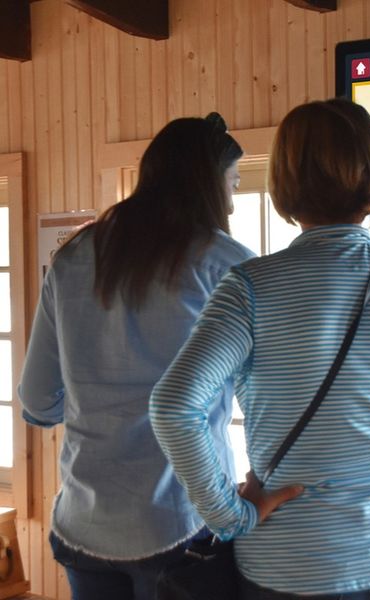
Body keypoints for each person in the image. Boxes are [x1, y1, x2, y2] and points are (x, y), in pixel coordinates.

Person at [150, 98, 370, 600]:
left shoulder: (249, 288)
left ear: (283, 185)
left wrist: (229, 516)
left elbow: (172, 406)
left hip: (287, 570)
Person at [18, 113, 257, 600]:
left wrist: (99, 400)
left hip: (84, 524)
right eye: (231, 183)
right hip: (182, 523)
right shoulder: (226, 264)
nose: (232, 197)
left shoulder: (72, 257)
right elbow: (268, 395)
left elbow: (37, 403)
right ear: (208, 186)